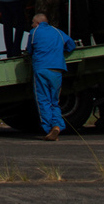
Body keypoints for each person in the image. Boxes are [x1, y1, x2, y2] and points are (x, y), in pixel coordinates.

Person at [25, 12, 76, 141]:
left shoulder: (34, 32)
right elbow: (71, 45)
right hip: (57, 69)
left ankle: (48, 129)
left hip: (41, 68)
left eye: (32, 22)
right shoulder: (57, 31)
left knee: (43, 99)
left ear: (37, 23)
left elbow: (29, 50)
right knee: (55, 101)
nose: (31, 24)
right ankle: (57, 126)